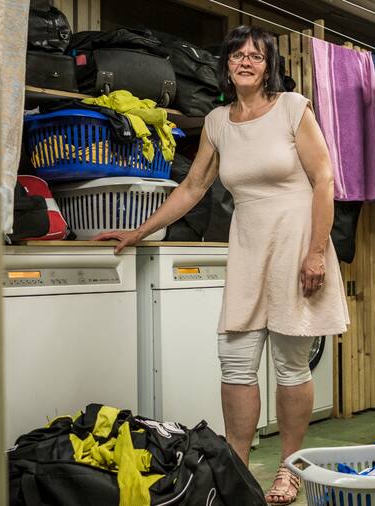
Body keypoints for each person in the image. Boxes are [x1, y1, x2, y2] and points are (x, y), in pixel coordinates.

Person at [95, 25, 349, 505]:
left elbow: (323, 179)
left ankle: (289, 470)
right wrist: (137, 231)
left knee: (291, 365)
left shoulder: (294, 109)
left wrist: (317, 251)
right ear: (227, 65)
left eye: (256, 55)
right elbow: (191, 189)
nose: (247, 61)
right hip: (249, 248)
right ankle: (236, 467)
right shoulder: (216, 122)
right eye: (238, 55)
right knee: (235, 362)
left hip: (296, 244)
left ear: (269, 65)